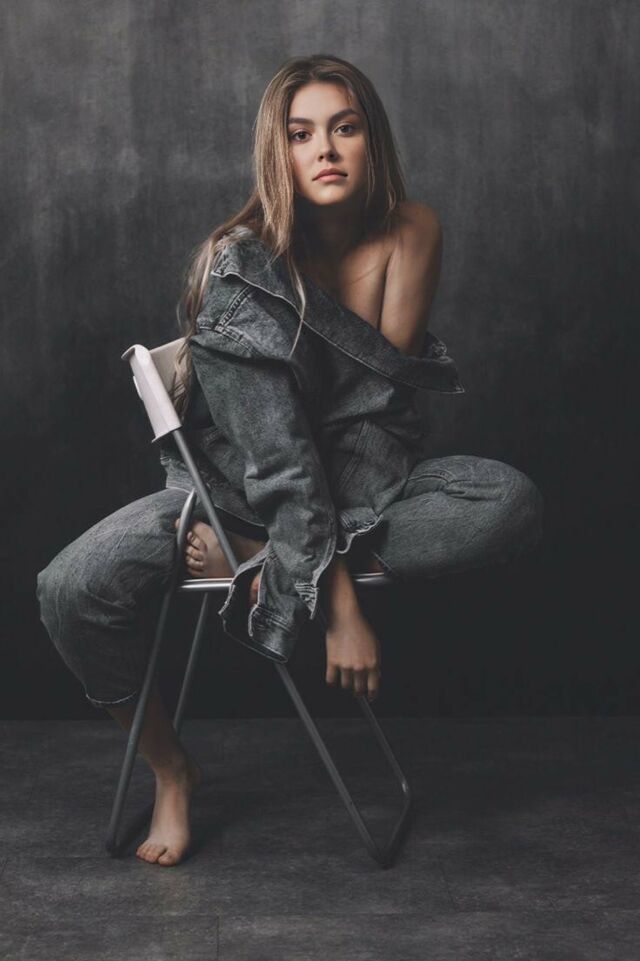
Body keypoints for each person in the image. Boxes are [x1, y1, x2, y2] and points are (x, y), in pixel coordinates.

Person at [36, 54, 544, 868]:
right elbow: (273, 457)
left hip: (352, 483)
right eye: (300, 134)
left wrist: (294, 556)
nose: (325, 150)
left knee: (507, 499)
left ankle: (264, 559)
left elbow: (379, 419)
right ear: (278, 152)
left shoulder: (412, 232)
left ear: (371, 139)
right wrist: (338, 604)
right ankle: (171, 771)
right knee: (70, 588)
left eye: (345, 128)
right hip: (231, 490)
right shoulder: (240, 267)